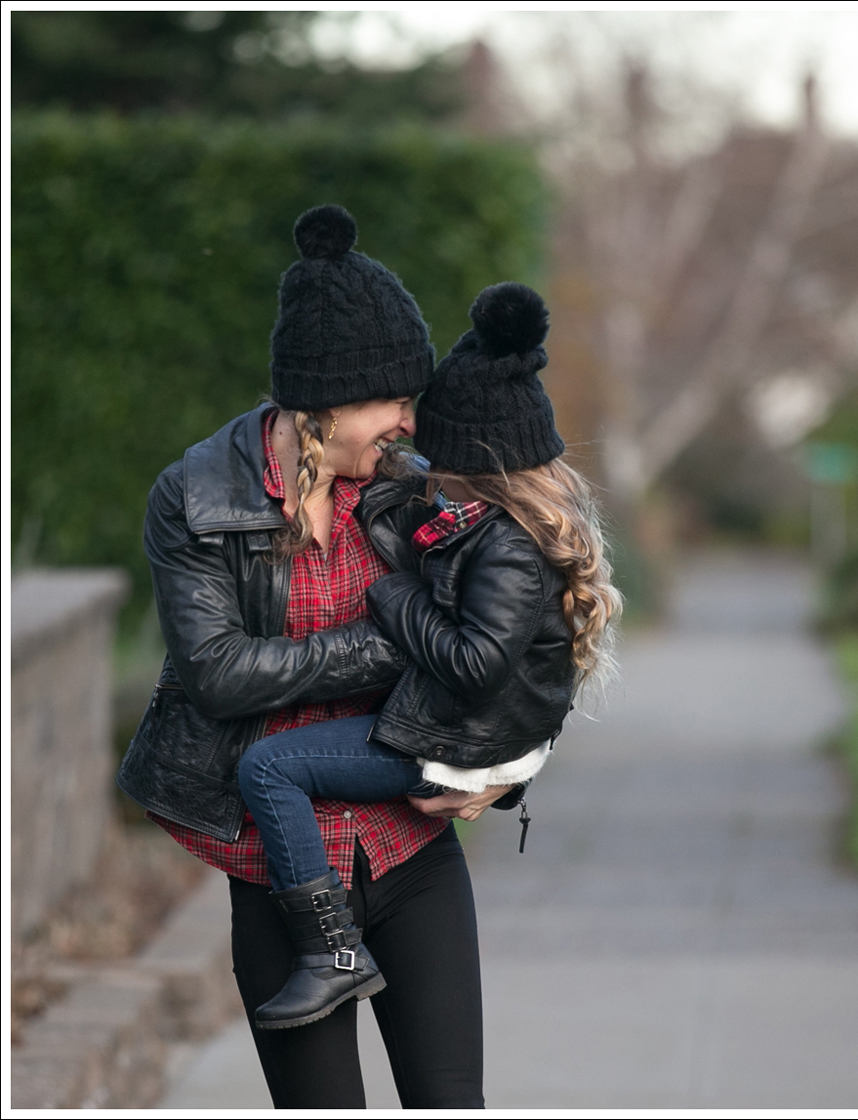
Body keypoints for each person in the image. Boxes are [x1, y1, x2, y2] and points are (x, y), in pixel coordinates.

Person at [117, 204, 502, 1109]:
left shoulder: (411, 489)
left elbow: (503, 641)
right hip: (280, 878)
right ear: (324, 403)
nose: (410, 421)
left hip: (413, 856)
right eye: (395, 399)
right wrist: (396, 642)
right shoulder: (195, 497)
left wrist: (505, 772)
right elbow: (216, 671)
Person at [236, 280, 623, 1031]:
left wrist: (393, 597)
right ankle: (333, 950)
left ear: (471, 468)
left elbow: (480, 663)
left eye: (432, 451)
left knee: (269, 765)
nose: (413, 448)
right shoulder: (494, 528)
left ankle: (331, 956)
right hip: (459, 735)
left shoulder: (504, 544)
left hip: (448, 741)